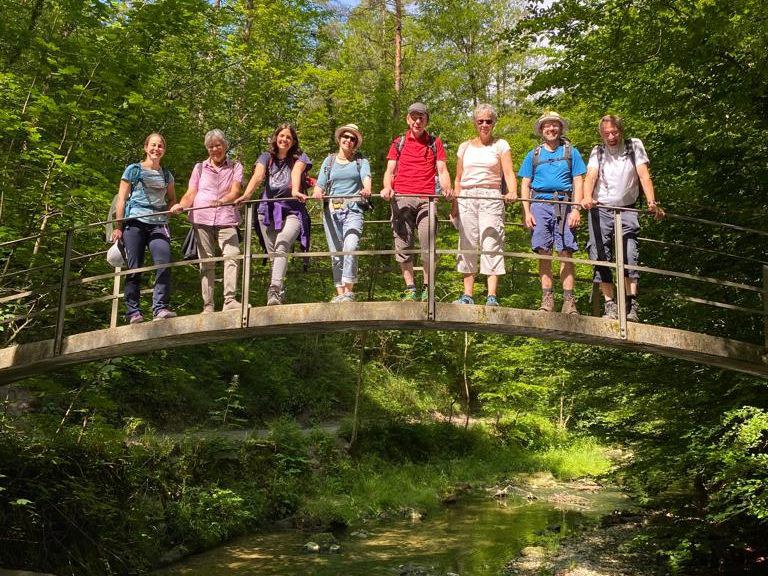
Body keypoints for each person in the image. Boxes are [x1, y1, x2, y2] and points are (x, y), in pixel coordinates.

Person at [582, 114, 664, 321]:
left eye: (614, 132)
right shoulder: (598, 151)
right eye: (607, 133)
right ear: (601, 134)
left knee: (629, 253)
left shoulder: (634, 146)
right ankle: (610, 305)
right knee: (600, 254)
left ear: (621, 131)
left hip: (628, 209)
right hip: (600, 208)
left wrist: (652, 202)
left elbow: (644, 174)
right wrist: (586, 197)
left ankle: (631, 305)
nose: (611, 137)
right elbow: (591, 176)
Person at [381, 102, 453, 301]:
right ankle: (410, 287)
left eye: (421, 117)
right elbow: (389, 171)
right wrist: (387, 187)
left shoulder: (434, 142)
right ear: (408, 119)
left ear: (426, 120)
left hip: (426, 199)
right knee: (403, 244)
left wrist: (447, 188)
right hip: (402, 197)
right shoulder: (399, 142)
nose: (417, 121)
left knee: (428, 243)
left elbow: (443, 170)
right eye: (414, 117)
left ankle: (428, 288)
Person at [519, 111, 586, 315]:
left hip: (565, 204)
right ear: (541, 130)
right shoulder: (534, 154)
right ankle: (547, 298)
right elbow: (525, 183)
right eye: (547, 125)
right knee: (543, 251)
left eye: (555, 125)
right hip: (539, 204)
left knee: (566, 251)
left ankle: (568, 301)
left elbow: (578, 180)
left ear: (560, 128)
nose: (551, 129)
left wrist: (576, 208)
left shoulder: (571, 152)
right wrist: (527, 211)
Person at [236, 123, 311, 306]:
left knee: (282, 243)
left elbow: (296, 172)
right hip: (267, 212)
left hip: (293, 210)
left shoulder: (299, 157)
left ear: (293, 141)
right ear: (276, 138)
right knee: (274, 256)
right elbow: (258, 176)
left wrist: (294, 190)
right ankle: (277, 292)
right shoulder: (265, 157)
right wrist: (246, 196)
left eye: (289, 137)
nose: (284, 139)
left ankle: (275, 290)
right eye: (282, 136)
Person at [451, 103, 517, 307]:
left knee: (491, 240)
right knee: (467, 242)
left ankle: (491, 296)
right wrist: (454, 205)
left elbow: (508, 172)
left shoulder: (501, 145)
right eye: (481, 121)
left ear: (494, 122)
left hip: (491, 194)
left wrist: (512, 191)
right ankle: (467, 295)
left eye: (488, 121)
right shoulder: (465, 147)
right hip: (467, 196)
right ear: (475, 123)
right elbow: (458, 178)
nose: (485, 124)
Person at [170, 129, 243, 313]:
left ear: (225, 146)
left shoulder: (235, 166)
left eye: (218, 145)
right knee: (206, 262)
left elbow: (235, 192)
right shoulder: (199, 168)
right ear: (207, 149)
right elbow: (191, 192)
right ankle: (208, 305)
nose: (215, 149)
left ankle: (229, 301)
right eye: (211, 146)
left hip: (227, 217)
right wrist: (181, 205)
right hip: (201, 217)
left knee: (232, 255)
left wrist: (222, 201)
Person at [111, 133, 178, 323]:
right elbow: (121, 200)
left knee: (163, 261)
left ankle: (160, 308)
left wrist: (171, 208)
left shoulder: (167, 175)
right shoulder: (133, 170)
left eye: (160, 146)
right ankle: (133, 312)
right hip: (135, 222)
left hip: (158, 223)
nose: (156, 149)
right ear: (145, 147)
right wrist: (118, 226)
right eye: (153, 145)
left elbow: (172, 198)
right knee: (134, 268)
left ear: (164, 150)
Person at [312, 123, 372, 302]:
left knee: (350, 247)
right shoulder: (329, 161)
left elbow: (366, 179)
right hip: (332, 211)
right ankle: (340, 294)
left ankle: (348, 291)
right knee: (336, 253)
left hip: (353, 209)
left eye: (353, 139)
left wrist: (367, 188)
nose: (349, 141)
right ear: (339, 139)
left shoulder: (361, 161)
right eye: (346, 137)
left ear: (356, 143)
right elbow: (320, 183)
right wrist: (317, 191)